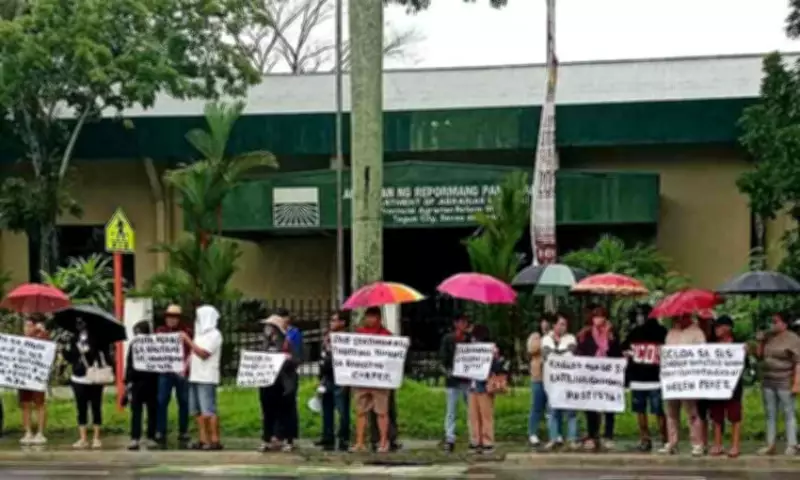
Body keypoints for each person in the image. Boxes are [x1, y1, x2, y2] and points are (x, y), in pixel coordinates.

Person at [621, 304, 667, 452]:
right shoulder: (635, 332)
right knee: (642, 410)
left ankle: (663, 438)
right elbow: (624, 349)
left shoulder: (661, 332)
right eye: (638, 315)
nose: (639, 318)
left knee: (657, 411)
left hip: (654, 380)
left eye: (642, 314)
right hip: (640, 380)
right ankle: (647, 439)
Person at [659, 313, 706, 456]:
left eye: (681, 316)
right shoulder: (671, 333)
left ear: (688, 317)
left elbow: (702, 353)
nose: (678, 319)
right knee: (671, 412)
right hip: (671, 378)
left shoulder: (697, 333)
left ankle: (697, 443)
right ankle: (672, 442)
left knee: (692, 412)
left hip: (688, 378)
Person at [754, 311, 800, 456]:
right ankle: (771, 444)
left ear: (784, 324)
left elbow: (798, 362)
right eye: (772, 321)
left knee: (788, 412)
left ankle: (792, 444)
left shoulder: (793, 339)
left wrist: (797, 382)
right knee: (770, 413)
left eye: (775, 321)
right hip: (768, 379)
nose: (772, 324)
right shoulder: (768, 337)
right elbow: (759, 355)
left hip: (785, 379)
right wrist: (760, 342)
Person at [61, 317, 111, 449]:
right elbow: (71, 358)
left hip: (95, 378)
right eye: (78, 323)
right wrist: (64, 349)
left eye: (82, 322)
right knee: (81, 408)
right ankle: (83, 438)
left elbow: (104, 355)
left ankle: (96, 438)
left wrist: (89, 349)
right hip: (78, 377)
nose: (80, 325)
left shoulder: (99, 337)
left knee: (96, 407)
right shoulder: (73, 338)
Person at [577, 306, 622, 451]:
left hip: (608, 376)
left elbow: (617, 353)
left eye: (601, 316)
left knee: (608, 406)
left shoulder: (612, 333)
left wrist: (611, 340)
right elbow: (580, 352)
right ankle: (592, 435)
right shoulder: (586, 333)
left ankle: (608, 435)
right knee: (591, 405)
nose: (598, 319)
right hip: (591, 376)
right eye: (596, 316)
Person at [180, 305, 224, 451]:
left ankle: (214, 440)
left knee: (208, 410)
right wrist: (185, 367)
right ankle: (203, 439)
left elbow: (204, 354)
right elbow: (193, 354)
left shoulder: (215, 335)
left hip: (207, 377)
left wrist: (188, 340)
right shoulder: (199, 334)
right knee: (197, 411)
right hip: (195, 375)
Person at [351, 307, 392, 453]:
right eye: (367, 317)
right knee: (360, 411)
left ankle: (383, 442)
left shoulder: (386, 335)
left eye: (372, 317)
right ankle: (360, 442)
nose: (369, 320)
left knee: (382, 412)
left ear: (379, 318)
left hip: (379, 380)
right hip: (362, 379)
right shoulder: (359, 333)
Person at [258, 313, 300, 452]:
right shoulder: (265, 343)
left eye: (270, 326)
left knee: (285, 412)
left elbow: (297, 360)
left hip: (283, 383)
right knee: (268, 412)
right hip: (268, 382)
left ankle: (288, 439)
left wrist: (287, 359)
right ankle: (267, 439)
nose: (267, 329)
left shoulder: (287, 342)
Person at [154, 304, 192, 447]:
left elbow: (191, 351)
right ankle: (161, 430)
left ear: (179, 318)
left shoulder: (186, 331)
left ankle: (183, 430)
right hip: (165, 372)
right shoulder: (160, 331)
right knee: (162, 400)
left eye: (175, 317)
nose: (172, 319)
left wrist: (186, 366)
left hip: (181, 372)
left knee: (184, 401)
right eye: (169, 316)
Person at [709, 315, 745, 458]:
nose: (716, 329)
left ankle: (735, 446)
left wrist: (745, 352)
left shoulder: (738, 344)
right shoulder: (711, 344)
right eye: (716, 327)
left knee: (734, 416)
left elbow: (745, 365)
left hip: (733, 386)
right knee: (716, 417)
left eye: (719, 326)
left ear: (728, 328)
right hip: (716, 386)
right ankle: (718, 444)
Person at [467, 324, 506, 455]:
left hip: (484, 386)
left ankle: (487, 441)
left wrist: (494, 356)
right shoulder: (470, 350)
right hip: (472, 386)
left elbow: (497, 367)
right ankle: (475, 440)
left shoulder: (490, 349)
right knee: (473, 416)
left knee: (485, 415)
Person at [542, 312, 579, 450]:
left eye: (565, 325)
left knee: (571, 412)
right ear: (554, 325)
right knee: (552, 411)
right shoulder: (546, 338)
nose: (563, 327)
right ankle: (553, 438)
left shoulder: (571, 338)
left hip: (568, 381)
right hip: (552, 381)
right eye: (561, 324)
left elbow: (570, 355)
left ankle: (572, 439)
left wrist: (556, 353)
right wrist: (560, 353)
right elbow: (547, 356)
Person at [317, 311, 350, 452]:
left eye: (334, 320)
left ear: (343, 322)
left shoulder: (347, 339)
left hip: (340, 377)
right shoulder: (327, 337)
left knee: (342, 409)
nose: (331, 323)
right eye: (331, 320)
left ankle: (343, 437)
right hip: (327, 377)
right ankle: (327, 435)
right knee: (327, 407)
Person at [439, 313, 472, 452]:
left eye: (466, 322)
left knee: (471, 409)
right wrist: (447, 372)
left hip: (467, 379)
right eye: (461, 322)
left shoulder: (470, 339)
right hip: (453, 380)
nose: (464, 325)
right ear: (456, 324)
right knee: (451, 410)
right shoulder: (448, 339)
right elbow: (442, 360)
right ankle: (450, 437)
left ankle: (474, 436)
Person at [125, 320, 159, 450]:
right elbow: (129, 363)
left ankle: (150, 436)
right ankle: (135, 438)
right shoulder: (134, 345)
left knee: (152, 410)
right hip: (137, 381)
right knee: (136, 411)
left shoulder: (155, 344)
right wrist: (128, 381)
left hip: (151, 381)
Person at [19, 316, 50, 445]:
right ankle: (28, 432)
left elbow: (48, 350)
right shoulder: (20, 340)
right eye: (25, 326)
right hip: (23, 376)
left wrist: (41, 332)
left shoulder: (42, 338)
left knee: (39, 404)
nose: (27, 328)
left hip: (38, 376)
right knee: (25, 404)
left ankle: (40, 432)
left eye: (29, 325)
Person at [526, 313, 553, 448]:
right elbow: (532, 349)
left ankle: (553, 434)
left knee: (551, 408)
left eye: (548, 322)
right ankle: (532, 433)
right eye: (544, 321)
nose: (545, 324)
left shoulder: (555, 336)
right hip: (538, 377)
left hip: (552, 377)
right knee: (536, 407)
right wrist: (545, 339)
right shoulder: (535, 336)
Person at [278, 309, 301, 449]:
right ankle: (278, 434)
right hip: (277, 374)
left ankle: (290, 437)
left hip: (289, 374)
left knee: (289, 405)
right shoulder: (275, 333)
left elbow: (297, 353)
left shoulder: (294, 333)